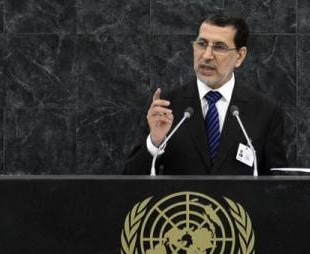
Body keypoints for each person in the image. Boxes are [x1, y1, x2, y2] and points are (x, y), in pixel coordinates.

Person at [123, 14, 287, 175]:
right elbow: (129, 183)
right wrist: (154, 142)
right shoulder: (166, 106)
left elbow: (278, 185)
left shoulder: (265, 111)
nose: (207, 55)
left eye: (219, 47)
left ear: (239, 56)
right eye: (202, 44)